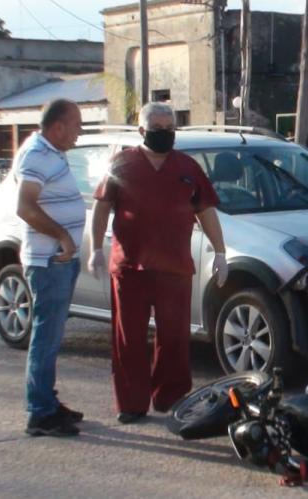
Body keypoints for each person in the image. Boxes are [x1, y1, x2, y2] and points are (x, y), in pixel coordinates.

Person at [89, 102, 230, 423]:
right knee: (129, 339)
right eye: (158, 130)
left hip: (174, 269)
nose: (165, 135)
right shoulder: (122, 163)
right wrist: (96, 248)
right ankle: (131, 402)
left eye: (170, 129)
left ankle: (171, 398)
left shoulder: (187, 167)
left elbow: (205, 211)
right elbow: (102, 206)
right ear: (142, 131)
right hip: (130, 270)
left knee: (175, 338)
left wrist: (220, 252)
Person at [15, 99, 86, 436]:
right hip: (48, 261)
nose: (79, 132)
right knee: (45, 338)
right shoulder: (37, 155)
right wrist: (62, 236)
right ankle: (40, 413)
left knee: (52, 337)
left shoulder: (49, 152)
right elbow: (25, 207)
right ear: (57, 127)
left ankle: (47, 400)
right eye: (76, 125)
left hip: (59, 260)